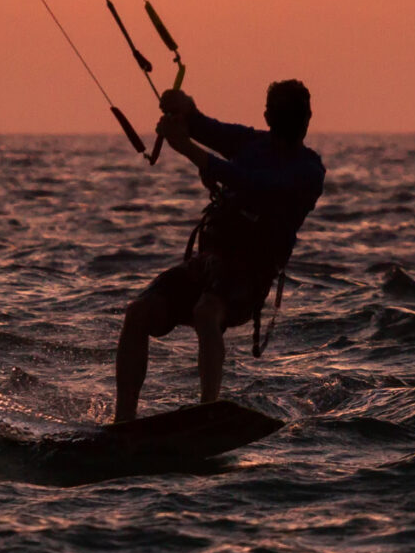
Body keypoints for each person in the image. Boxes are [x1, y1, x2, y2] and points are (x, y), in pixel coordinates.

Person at [115, 80, 325, 421]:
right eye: (284, 114)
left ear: (307, 118)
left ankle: (207, 411)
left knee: (206, 312)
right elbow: (204, 127)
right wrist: (183, 106)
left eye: (296, 115)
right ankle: (122, 421)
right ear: (269, 116)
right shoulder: (251, 143)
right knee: (138, 312)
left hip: (248, 278)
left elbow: (252, 184)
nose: (292, 121)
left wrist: (187, 149)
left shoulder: (309, 172)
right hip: (207, 266)